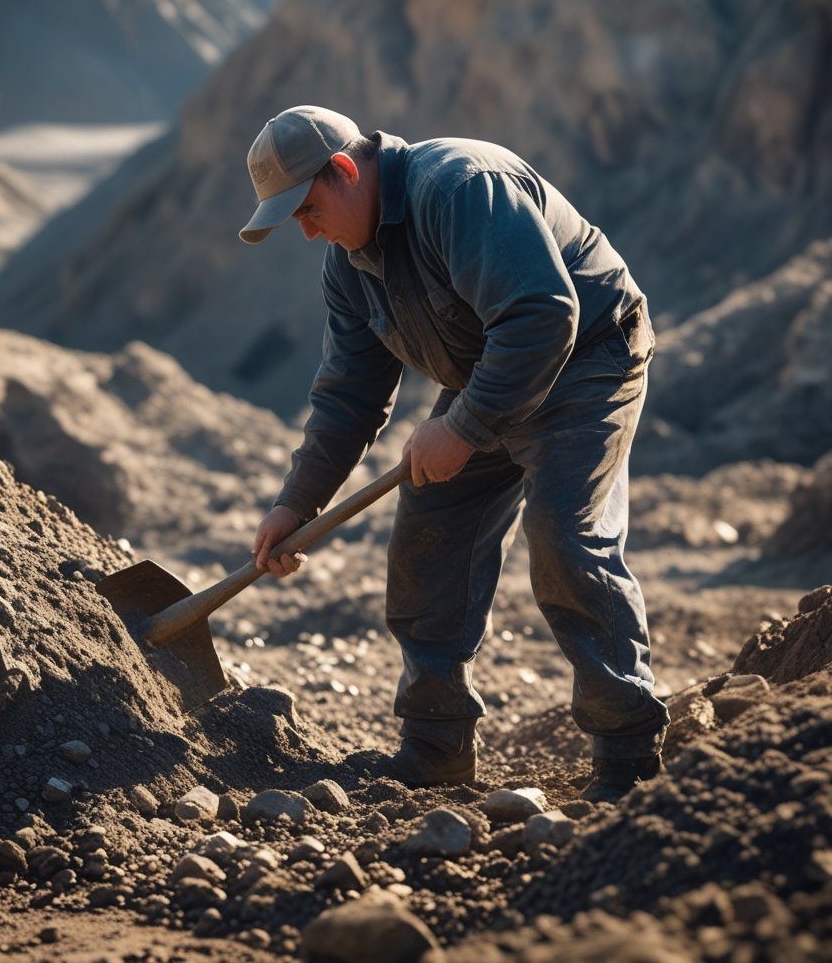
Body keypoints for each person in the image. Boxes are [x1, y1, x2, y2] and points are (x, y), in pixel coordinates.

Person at [240, 105, 669, 802]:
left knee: (564, 534)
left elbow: (541, 316)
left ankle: (627, 759)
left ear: (346, 170)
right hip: (491, 379)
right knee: (427, 538)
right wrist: (298, 501)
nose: (307, 228)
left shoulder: (460, 186)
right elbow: (349, 393)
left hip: (589, 359)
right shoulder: (350, 265)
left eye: (310, 208)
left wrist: (464, 426)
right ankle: (436, 748)